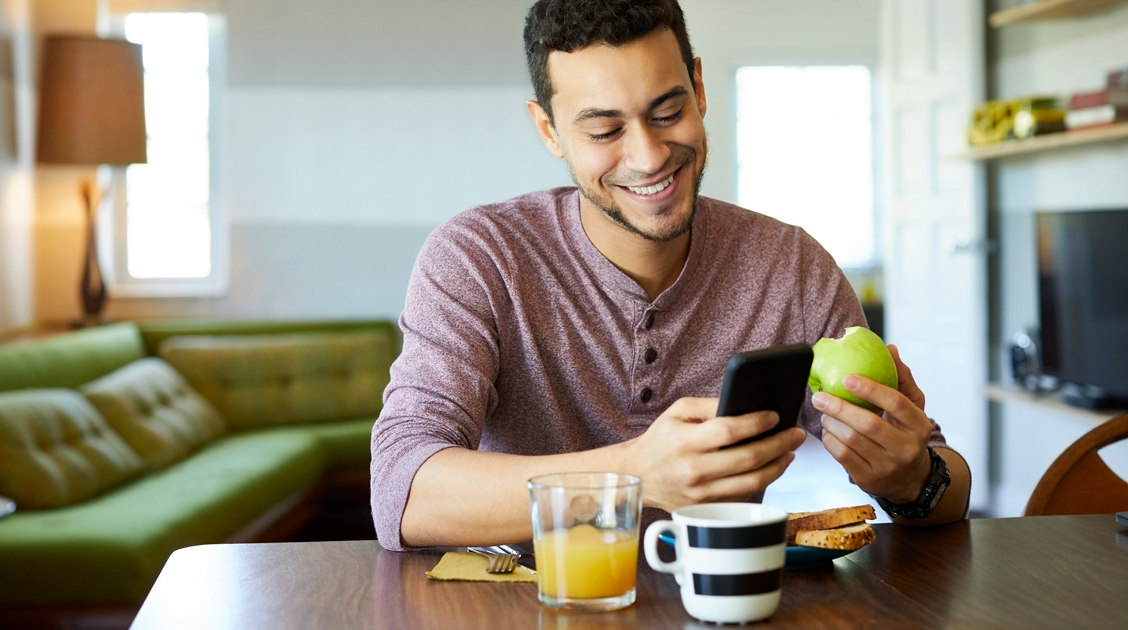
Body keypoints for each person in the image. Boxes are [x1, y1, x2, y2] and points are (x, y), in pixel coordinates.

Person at [370, 0, 971, 552]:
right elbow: (402, 491)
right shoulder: (479, 257)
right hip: (521, 604)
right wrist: (634, 474)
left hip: (721, 607)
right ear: (549, 129)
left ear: (699, 88)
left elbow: (947, 487)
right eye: (604, 130)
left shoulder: (791, 266)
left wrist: (912, 475)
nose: (649, 156)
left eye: (667, 111)